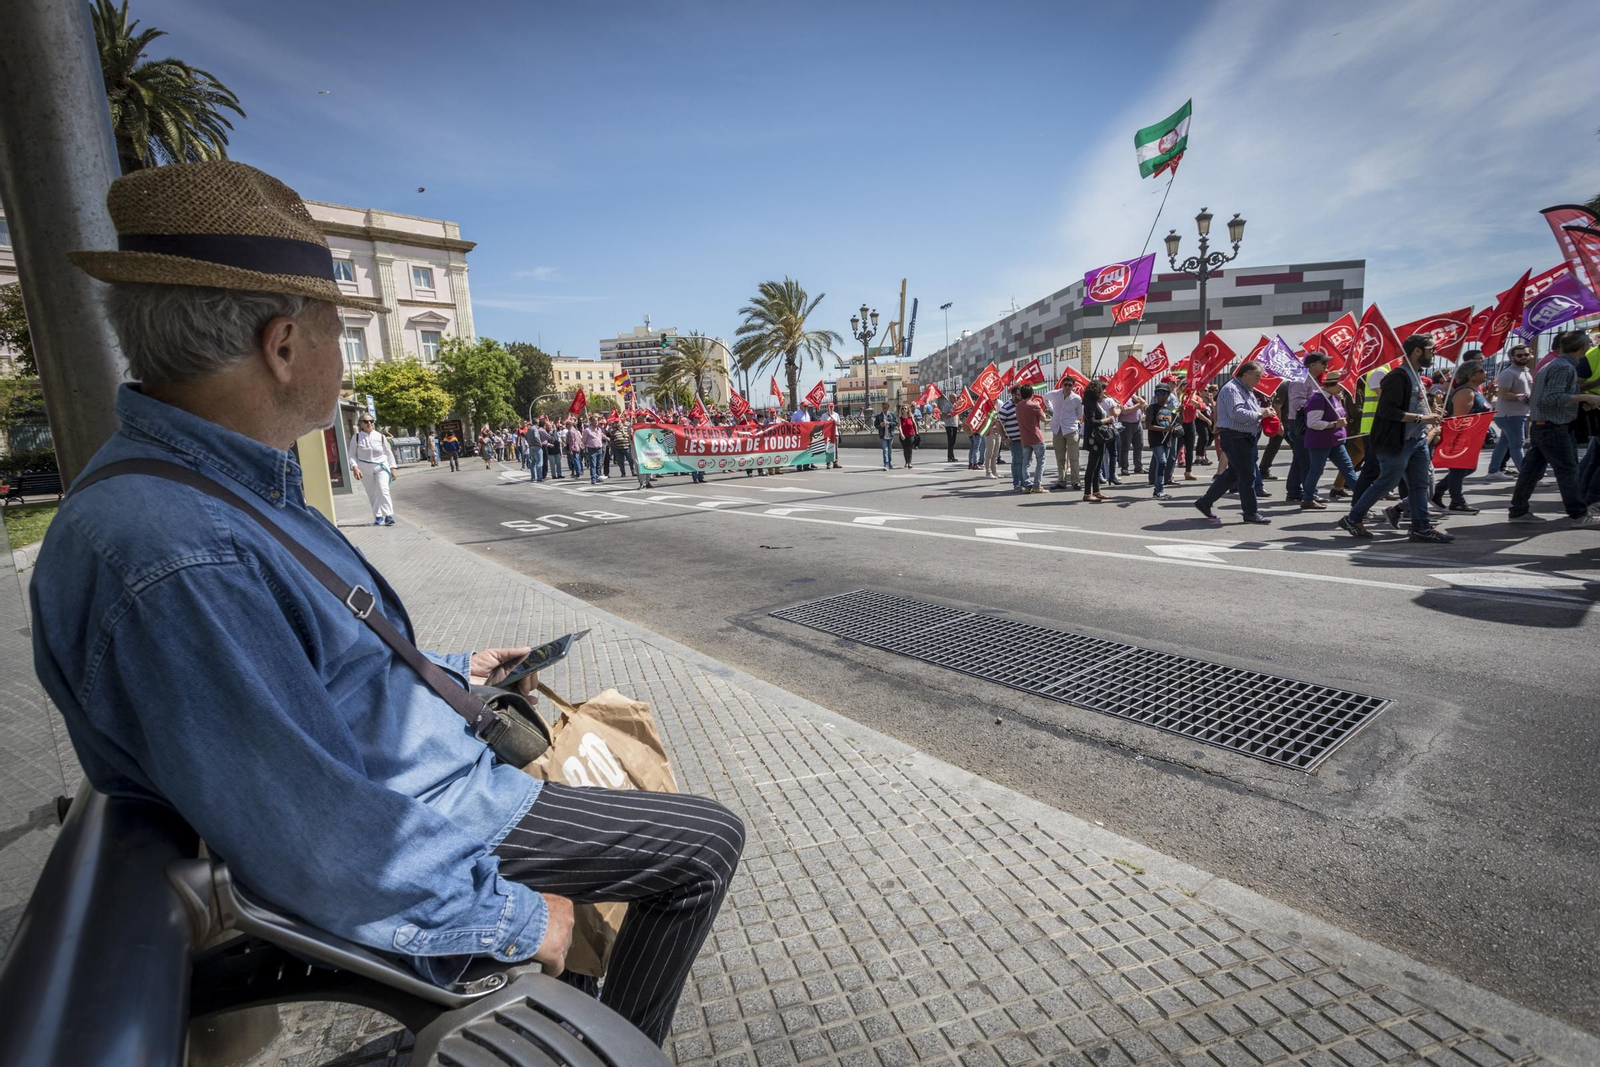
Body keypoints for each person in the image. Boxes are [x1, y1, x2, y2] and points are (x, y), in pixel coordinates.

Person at [35, 161, 742, 1045]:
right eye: (341, 327)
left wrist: (450, 669)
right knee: (702, 844)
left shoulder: (207, 490)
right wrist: (522, 920)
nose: (344, 351)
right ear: (283, 344)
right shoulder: (176, 551)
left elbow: (310, 670)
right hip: (429, 810)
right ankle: (601, 1050)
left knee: (690, 837)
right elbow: (317, 831)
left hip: (418, 777)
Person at [1338, 334, 1452, 542]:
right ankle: (1353, 519)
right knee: (1385, 483)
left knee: (1420, 486)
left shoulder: (1415, 374)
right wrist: (1422, 418)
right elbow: (1387, 411)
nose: (1434, 353)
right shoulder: (1398, 376)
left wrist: (1431, 410)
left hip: (1416, 442)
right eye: (1431, 349)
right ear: (1417, 351)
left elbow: (1412, 403)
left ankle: (1421, 528)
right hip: (1396, 443)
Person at [1508, 330, 1600, 525]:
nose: (1591, 346)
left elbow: (1550, 396)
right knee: (1568, 472)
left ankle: (1518, 511)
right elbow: (1551, 398)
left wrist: (1582, 401)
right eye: (1589, 344)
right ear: (1583, 347)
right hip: (1554, 428)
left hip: (1544, 426)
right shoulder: (1563, 367)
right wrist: (1585, 397)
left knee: (1530, 472)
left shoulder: (1556, 364)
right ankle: (1578, 514)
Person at [1193, 362, 1271, 525]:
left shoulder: (1245, 389)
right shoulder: (1232, 389)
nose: (1259, 380)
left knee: (1234, 473)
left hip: (1244, 437)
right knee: (1247, 475)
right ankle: (1250, 512)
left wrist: (1265, 413)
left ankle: (1205, 502)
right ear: (1246, 374)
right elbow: (1237, 414)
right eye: (1257, 376)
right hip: (1236, 437)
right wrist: (1260, 414)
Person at [1430, 359, 1490, 514]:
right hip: (1462, 437)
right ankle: (1457, 501)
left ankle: (1438, 491)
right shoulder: (1465, 392)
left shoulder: (1474, 391)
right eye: (1481, 371)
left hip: (1473, 437)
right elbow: (1459, 419)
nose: (1485, 373)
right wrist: (1459, 441)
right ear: (1471, 376)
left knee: (1468, 468)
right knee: (1459, 468)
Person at [1300, 369, 1355, 510]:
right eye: (1341, 385)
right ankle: (1308, 498)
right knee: (1316, 470)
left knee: (1348, 468)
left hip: (1336, 441)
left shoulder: (1334, 397)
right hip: (1320, 442)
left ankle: (1361, 497)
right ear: (1332, 384)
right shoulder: (1318, 399)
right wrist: (1335, 424)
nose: (1343, 388)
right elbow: (1312, 423)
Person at [1280, 353, 1326, 502]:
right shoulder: (1301, 379)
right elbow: (1296, 403)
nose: (1326, 366)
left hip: (1305, 423)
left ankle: (1294, 490)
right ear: (1312, 365)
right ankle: (1309, 493)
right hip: (1300, 424)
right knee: (1306, 459)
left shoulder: (1312, 379)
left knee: (1300, 459)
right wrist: (1318, 401)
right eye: (1323, 363)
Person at [1488, 344, 1532, 477]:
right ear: (1512, 358)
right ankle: (1527, 476)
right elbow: (1502, 394)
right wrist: (1520, 397)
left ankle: (1493, 471)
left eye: (1526, 354)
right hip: (1510, 415)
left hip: (1518, 413)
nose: (1523, 357)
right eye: (1519, 355)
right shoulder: (1509, 373)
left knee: (1504, 443)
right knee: (1517, 445)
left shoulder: (1525, 371)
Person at [348, 414, 399, 526]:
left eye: (371, 421)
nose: (369, 423)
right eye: (366, 421)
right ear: (361, 423)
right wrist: (355, 467)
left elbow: (388, 452)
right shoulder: (356, 437)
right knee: (372, 492)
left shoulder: (380, 436)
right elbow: (351, 454)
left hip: (381, 466)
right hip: (365, 467)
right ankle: (378, 516)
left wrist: (393, 468)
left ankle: (388, 515)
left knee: (383, 489)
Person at [1043, 377, 1083, 491]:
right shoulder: (1055, 394)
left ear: (1073, 386)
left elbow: (1080, 413)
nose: (1067, 387)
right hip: (1057, 428)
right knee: (1060, 457)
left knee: (1074, 457)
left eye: (1070, 385)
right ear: (1062, 385)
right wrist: (1051, 409)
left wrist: (1072, 419)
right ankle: (1061, 480)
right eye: (1065, 384)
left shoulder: (1076, 398)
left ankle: (1075, 481)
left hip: (1071, 429)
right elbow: (1045, 398)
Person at [1144, 380, 1180, 499]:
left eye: (1162, 393)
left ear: (1168, 395)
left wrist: (1182, 413)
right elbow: (1148, 425)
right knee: (1162, 462)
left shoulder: (1170, 409)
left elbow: (1179, 421)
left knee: (1163, 464)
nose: (1159, 395)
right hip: (1156, 439)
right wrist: (1163, 429)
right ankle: (1159, 489)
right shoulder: (1152, 408)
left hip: (1167, 440)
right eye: (1157, 393)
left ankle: (1159, 489)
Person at [1080, 380, 1112, 502]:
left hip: (1100, 437)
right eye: (1103, 390)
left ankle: (1096, 491)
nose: (1104, 392)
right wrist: (1107, 420)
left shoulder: (1095, 403)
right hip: (1094, 438)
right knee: (1092, 466)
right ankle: (1087, 493)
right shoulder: (1089, 404)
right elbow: (1092, 422)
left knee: (1098, 466)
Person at [1012, 385, 1048, 492]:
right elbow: (1044, 418)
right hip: (1036, 437)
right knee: (1040, 461)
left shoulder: (1018, 406)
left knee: (1025, 463)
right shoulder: (1035, 405)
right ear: (1032, 394)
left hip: (1025, 438)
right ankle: (1037, 485)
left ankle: (1027, 485)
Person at [1117, 394, 1146, 476]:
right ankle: (1124, 468)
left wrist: (1136, 397)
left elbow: (1144, 403)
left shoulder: (1133, 397)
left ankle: (1138, 467)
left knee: (1139, 445)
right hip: (1127, 424)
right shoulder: (1122, 398)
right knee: (1125, 447)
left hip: (1137, 423)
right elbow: (1125, 411)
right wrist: (1139, 405)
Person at [581, 417, 606, 484]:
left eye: (597, 421)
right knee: (593, 464)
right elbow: (583, 440)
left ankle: (597, 477)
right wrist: (584, 445)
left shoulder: (599, 429)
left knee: (599, 464)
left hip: (599, 448)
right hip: (592, 449)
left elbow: (601, 436)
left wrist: (607, 438)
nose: (596, 422)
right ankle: (593, 478)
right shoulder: (587, 430)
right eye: (594, 421)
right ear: (591, 422)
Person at [873, 402, 897, 470]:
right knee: (885, 450)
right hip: (883, 435)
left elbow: (896, 423)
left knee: (890, 451)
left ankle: (889, 463)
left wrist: (889, 423)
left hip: (890, 435)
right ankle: (886, 464)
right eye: (883, 408)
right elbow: (876, 425)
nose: (885, 409)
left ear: (888, 407)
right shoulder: (879, 416)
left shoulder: (892, 414)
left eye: (886, 408)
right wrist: (880, 425)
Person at [898, 404, 918, 469]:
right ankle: (906, 461)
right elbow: (899, 426)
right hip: (903, 435)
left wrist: (916, 432)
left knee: (909, 448)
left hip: (911, 434)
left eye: (905, 408)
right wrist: (901, 434)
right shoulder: (900, 418)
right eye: (903, 408)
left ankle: (909, 463)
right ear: (901, 410)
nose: (904, 409)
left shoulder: (910, 417)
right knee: (905, 449)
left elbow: (914, 424)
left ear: (907, 410)